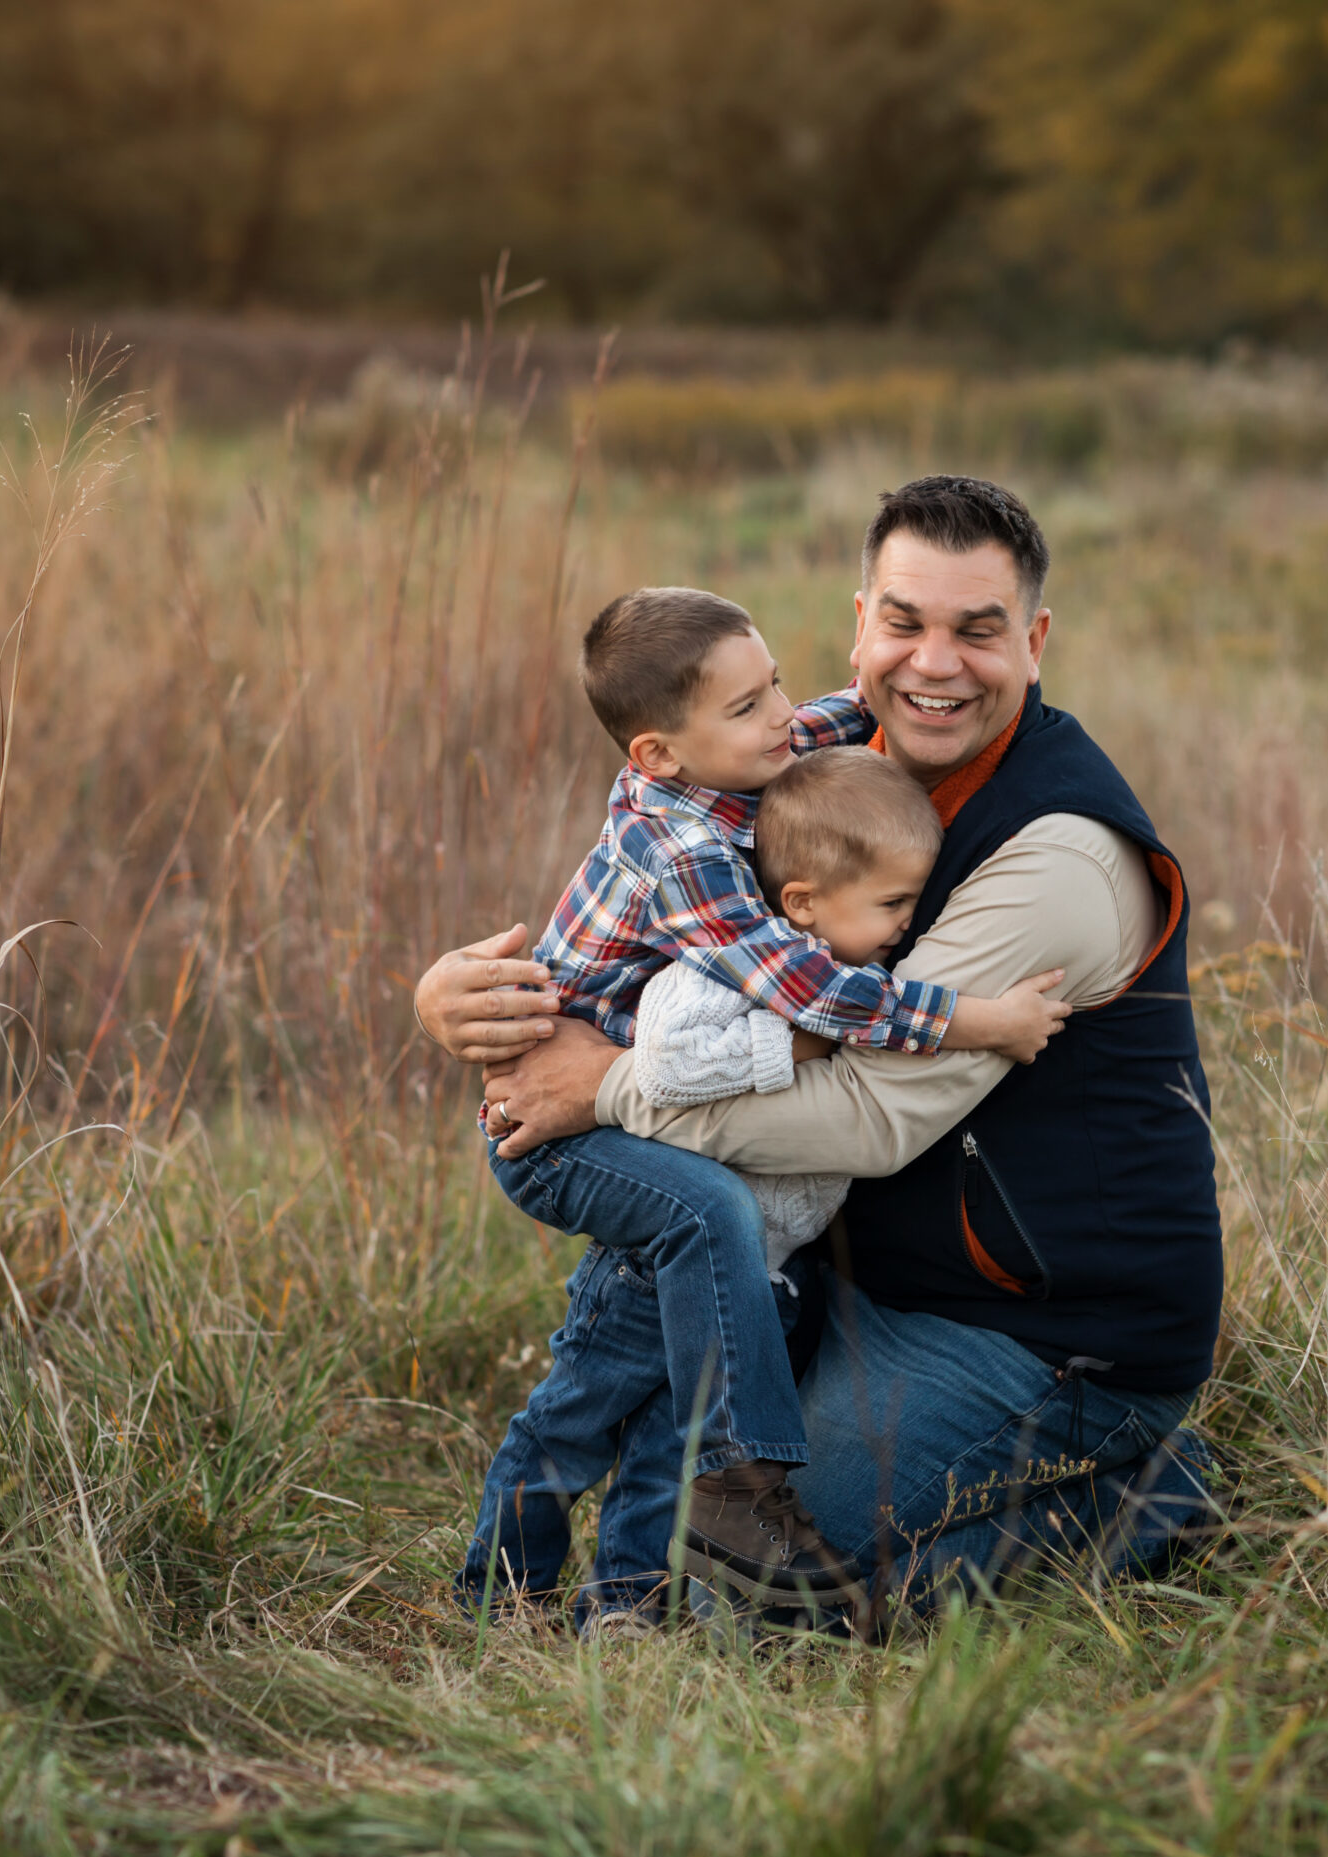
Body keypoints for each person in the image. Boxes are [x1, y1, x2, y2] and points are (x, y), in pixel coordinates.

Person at [422, 475, 1223, 1614]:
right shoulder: (825, 775)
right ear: (860, 626)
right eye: (904, 622)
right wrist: (457, 997)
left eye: (977, 631)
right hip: (873, 1271)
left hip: (1044, 1330)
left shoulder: (1058, 855)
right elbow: (666, 924)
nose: (934, 663)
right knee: (688, 1455)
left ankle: (1144, 1494)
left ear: (1034, 643)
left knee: (741, 1593)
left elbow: (872, 1114)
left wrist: (606, 1088)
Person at [462, 586, 1069, 1621]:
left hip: (637, 1117)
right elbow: (809, 992)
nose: (781, 713)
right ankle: (687, 1499)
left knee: (654, 1384)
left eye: (773, 681)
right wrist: (977, 1020)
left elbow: (845, 710)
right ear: (658, 754)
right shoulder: (686, 854)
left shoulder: (742, 752)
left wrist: (944, 672)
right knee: (703, 1226)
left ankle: (628, 1602)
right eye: (748, 707)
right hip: (562, 1133)